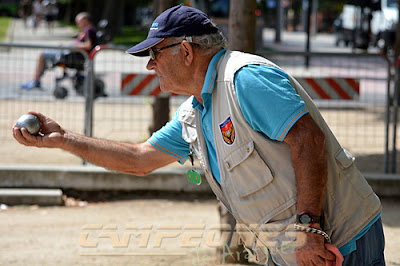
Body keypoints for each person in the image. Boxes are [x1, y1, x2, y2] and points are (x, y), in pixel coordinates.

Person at [13, 5, 385, 266]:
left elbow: (309, 141)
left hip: (341, 241)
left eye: (155, 53)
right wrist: (63, 139)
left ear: (186, 51)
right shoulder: (196, 110)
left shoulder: (243, 79)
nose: (149, 64)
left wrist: (309, 229)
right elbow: (140, 158)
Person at [20, 12, 96, 90]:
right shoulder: (87, 30)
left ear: (85, 20)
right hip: (70, 54)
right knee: (46, 55)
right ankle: (36, 79)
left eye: (78, 22)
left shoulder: (89, 29)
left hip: (71, 57)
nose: (77, 24)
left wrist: (73, 46)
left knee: (42, 54)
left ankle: (35, 80)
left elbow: (88, 45)